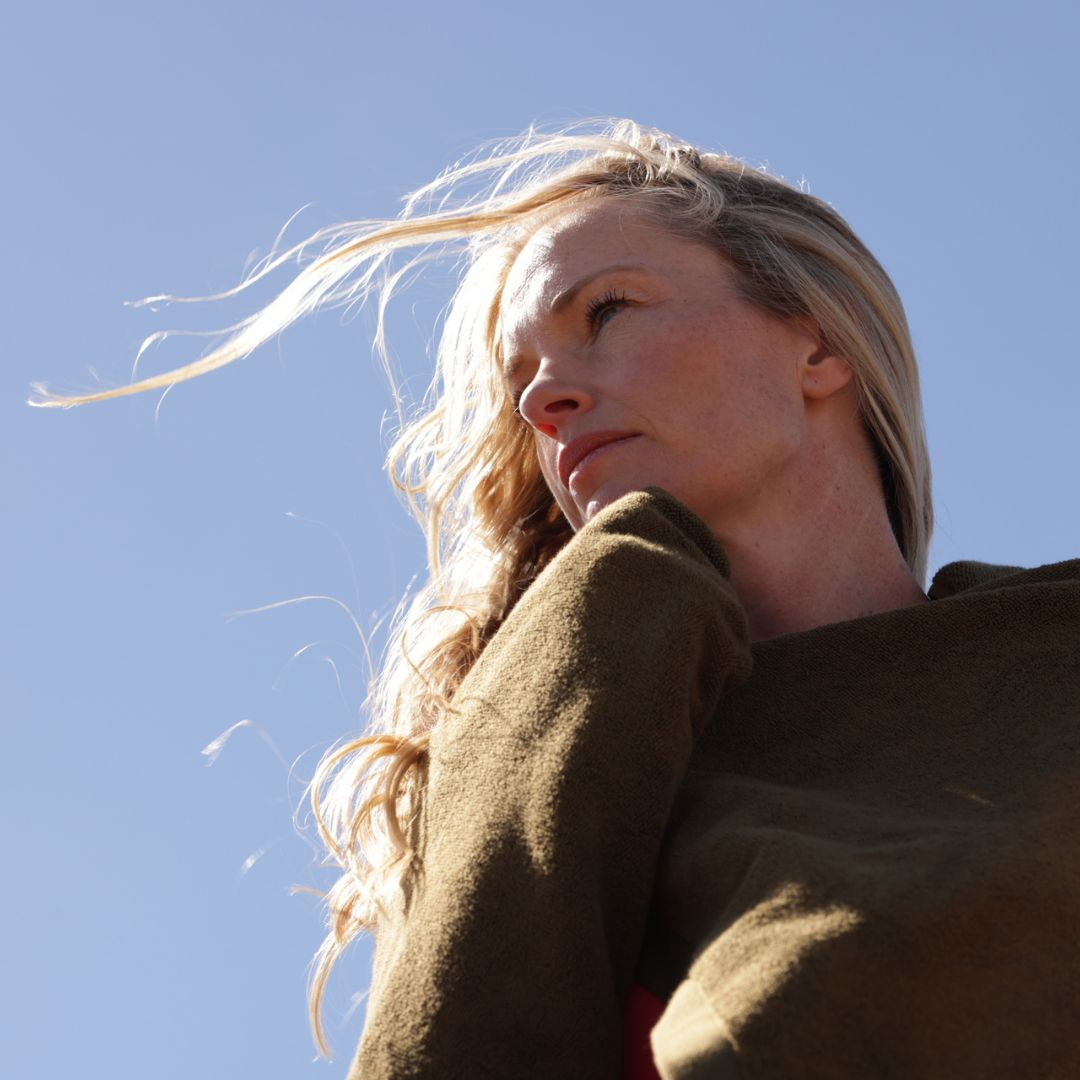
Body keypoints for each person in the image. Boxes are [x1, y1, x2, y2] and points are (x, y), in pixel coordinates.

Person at [34, 121, 1080, 1078]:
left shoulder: (1046, 658)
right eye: (520, 374)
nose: (542, 396)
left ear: (818, 344)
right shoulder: (558, 747)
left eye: (608, 310)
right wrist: (598, 624)